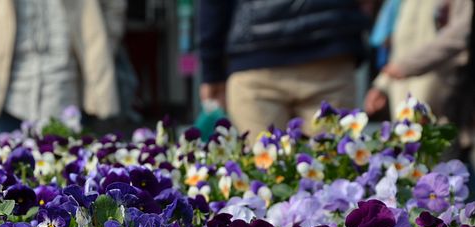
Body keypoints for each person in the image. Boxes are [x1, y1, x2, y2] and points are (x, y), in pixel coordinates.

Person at [198, 0, 368, 139]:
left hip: (255, 57)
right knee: (331, 167)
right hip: (329, 51)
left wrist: (212, 71)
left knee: (263, 171)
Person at [0, 0, 122, 138]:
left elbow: (113, 9)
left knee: (70, 168)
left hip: (69, 89)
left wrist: (103, 51)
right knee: (4, 169)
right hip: (5, 91)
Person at [365, 0, 473, 156]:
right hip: (401, 93)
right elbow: (399, 38)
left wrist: (409, 64)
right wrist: (382, 84)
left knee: (438, 164)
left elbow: (463, 31)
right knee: (405, 163)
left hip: (437, 94)